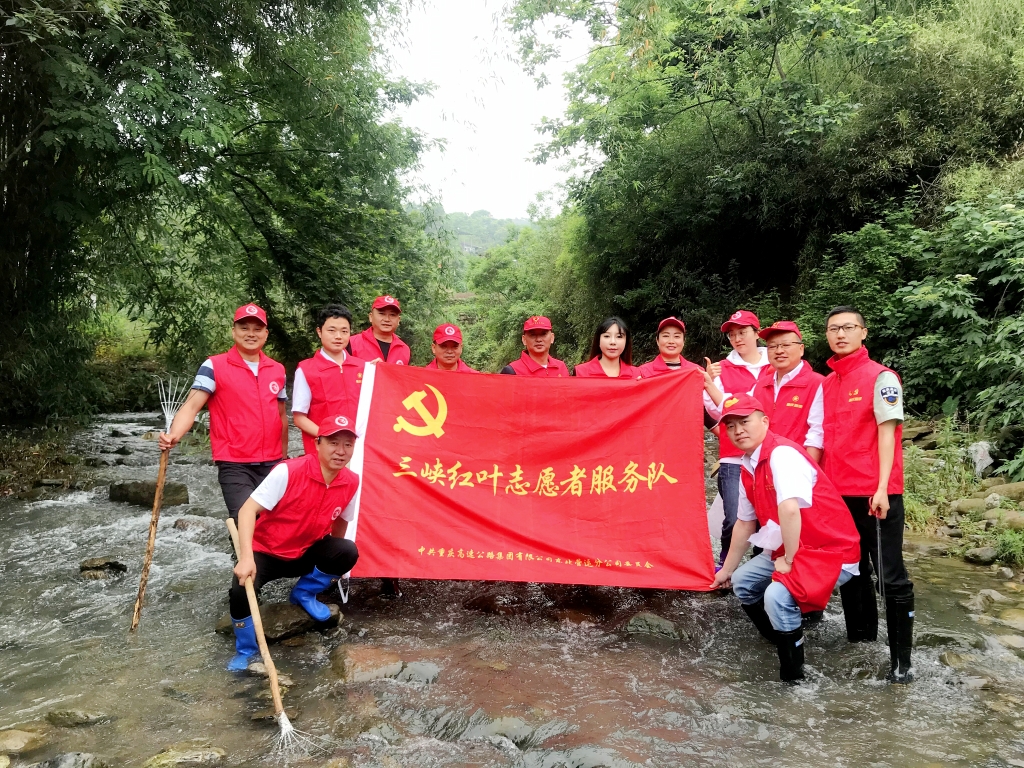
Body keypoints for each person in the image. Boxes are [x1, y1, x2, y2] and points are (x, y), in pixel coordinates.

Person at [710, 394, 861, 682]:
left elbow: (790, 509)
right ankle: (782, 639)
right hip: (790, 547)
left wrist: (790, 561)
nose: (738, 430)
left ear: (765, 421)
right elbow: (744, 523)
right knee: (742, 583)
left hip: (828, 551)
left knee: (776, 596)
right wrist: (726, 571)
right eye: (730, 426)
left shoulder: (782, 454)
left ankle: (795, 679)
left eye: (744, 422)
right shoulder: (748, 465)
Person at [821, 306, 915, 683]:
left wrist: (882, 488)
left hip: (875, 494)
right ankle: (860, 645)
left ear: (863, 332)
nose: (840, 334)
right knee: (852, 572)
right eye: (833, 329)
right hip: (837, 494)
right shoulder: (828, 383)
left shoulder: (881, 377)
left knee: (890, 577)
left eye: (848, 327)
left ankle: (901, 664)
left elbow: (888, 433)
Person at [227, 414, 361, 671]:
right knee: (241, 589)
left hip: (306, 551)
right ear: (318, 443)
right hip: (267, 552)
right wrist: (246, 558)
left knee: (347, 551)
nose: (341, 451)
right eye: (333, 443)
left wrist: (335, 565)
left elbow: (341, 521)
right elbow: (247, 510)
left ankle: (304, 593)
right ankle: (246, 649)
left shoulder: (351, 481)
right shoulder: (288, 471)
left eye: (348, 444)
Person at [160, 304, 288, 520]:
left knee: (274, 524)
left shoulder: (277, 370)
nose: (251, 334)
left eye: (257, 329)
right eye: (244, 328)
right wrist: (174, 435)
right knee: (245, 520)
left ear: (266, 334)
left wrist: (284, 458)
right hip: (234, 462)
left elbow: (281, 416)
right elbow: (191, 406)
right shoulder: (213, 366)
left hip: (273, 462)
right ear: (233, 331)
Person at [704, 310, 771, 569]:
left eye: (742, 332)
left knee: (768, 517)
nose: (737, 338)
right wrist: (709, 384)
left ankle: (761, 566)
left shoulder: (775, 364)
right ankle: (726, 565)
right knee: (733, 516)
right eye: (732, 335)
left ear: (757, 333)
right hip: (733, 456)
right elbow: (714, 411)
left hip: (769, 454)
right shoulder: (722, 369)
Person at [293, 305, 366, 455]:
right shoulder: (306, 370)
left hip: (358, 449)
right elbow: (299, 418)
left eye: (344, 331)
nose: (338, 336)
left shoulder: (363, 367)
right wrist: (327, 437)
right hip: (322, 450)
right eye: (332, 330)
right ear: (319, 332)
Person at [752, 321, 824, 463]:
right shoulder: (761, 385)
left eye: (785, 345)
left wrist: (808, 470)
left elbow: (817, 434)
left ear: (801, 349)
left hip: (798, 464)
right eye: (772, 346)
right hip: (763, 464)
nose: (779, 351)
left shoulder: (817, 384)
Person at [348, 295, 410, 365]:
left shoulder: (404, 349)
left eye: (392, 315)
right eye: (382, 314)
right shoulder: (352, 343)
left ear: (398, 320)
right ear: (371, 317)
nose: (387, 319)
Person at [500, 315, 570, 377]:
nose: (538, 339)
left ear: (552, 338)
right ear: (524, 340)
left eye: (543, 334)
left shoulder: (561, 367)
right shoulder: (512, 371)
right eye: (532, 335)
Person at [573, 316, 639, 378]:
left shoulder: (635, 374)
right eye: (607, 336)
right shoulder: (580, 372)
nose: (613, 342)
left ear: (626, 341)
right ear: (598, 340)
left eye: (619, 337)